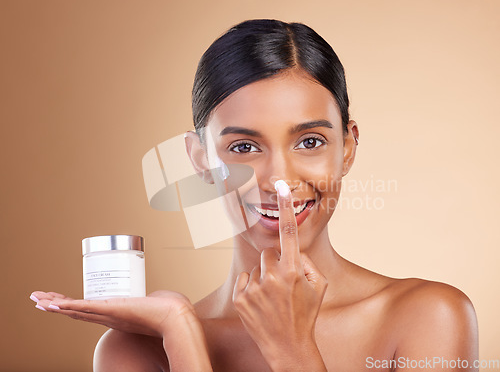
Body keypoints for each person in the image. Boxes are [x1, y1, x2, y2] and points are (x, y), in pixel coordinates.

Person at [30, 19, 479, 371]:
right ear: (200, 160)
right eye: (244, 147)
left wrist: (293, 351)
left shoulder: (429, 318)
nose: (278, 180)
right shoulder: (137, 350)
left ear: (348, 148)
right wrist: (180, 332)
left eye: (309, 142)